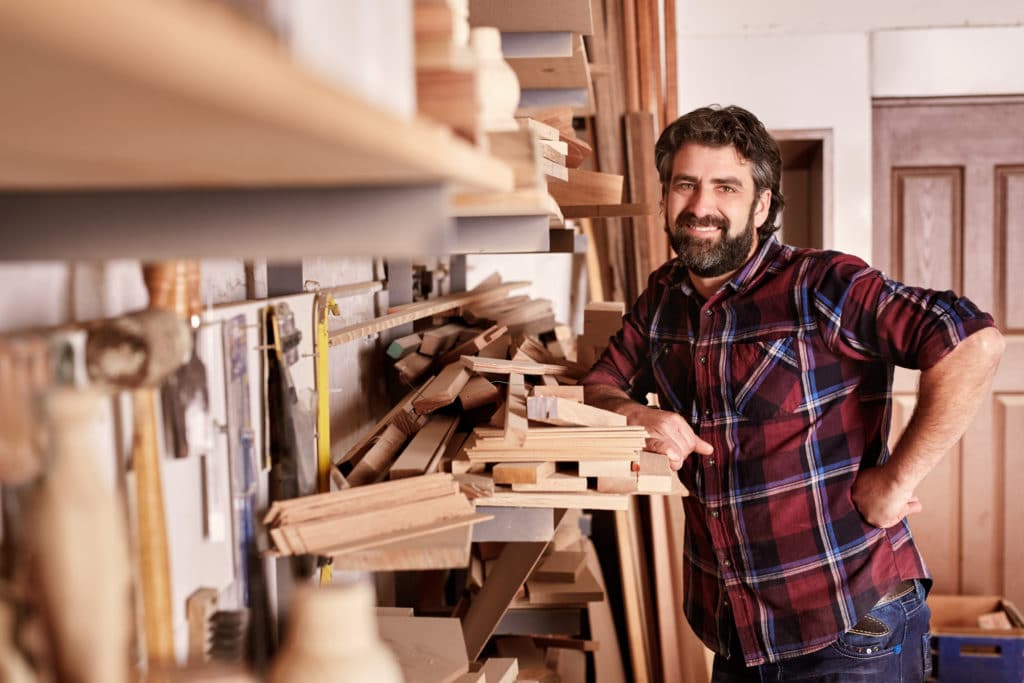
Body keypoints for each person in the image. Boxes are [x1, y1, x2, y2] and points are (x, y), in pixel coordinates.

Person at [580, 104, 1005, 681]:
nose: (701, 206)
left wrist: (897, 480)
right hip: (735, 637)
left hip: (852, 633)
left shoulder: (821, 285)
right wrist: (634, 415)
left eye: (725, 187)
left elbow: (971, 343)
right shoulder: (662, 299)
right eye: (686, 184)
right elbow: (600, 385)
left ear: (761, 203)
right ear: (664, 197)